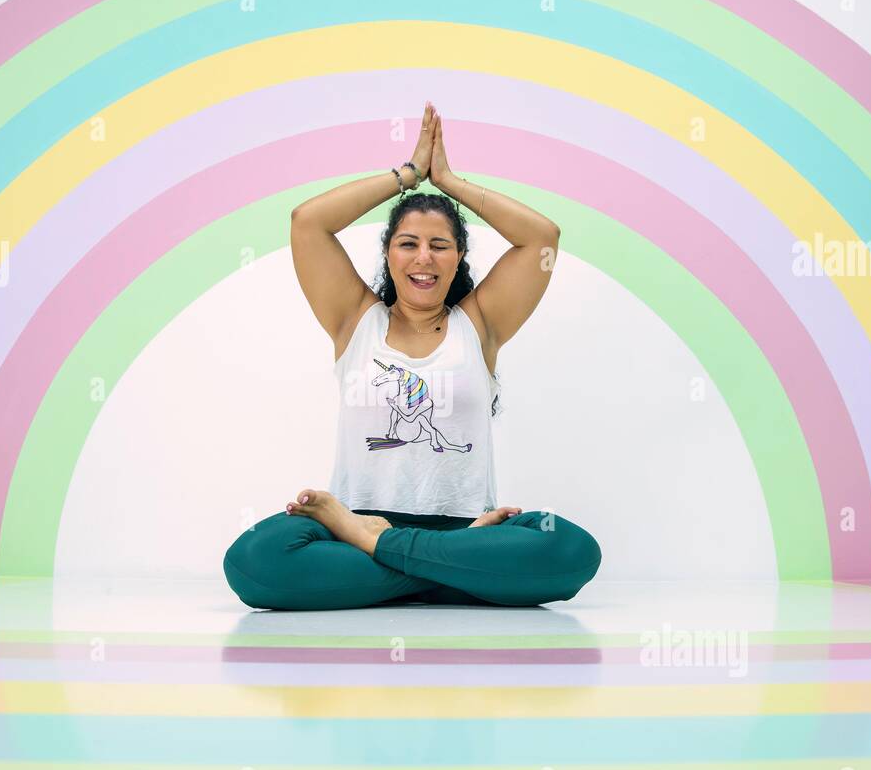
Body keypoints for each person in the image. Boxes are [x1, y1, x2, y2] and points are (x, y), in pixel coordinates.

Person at [223, 102, 602, 610]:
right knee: (254, 560)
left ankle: (388, 558)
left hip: (461, 528)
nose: (424, 257)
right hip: (357, 521)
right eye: (408, 243)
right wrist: (406, 176)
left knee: (571, 549)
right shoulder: (355, 322)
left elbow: (542, 237)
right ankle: (458, 574)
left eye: (440, 245)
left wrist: (448, 181)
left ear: (460, 256)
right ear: (388, 254)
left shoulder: (480, 324)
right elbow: (307, 222)